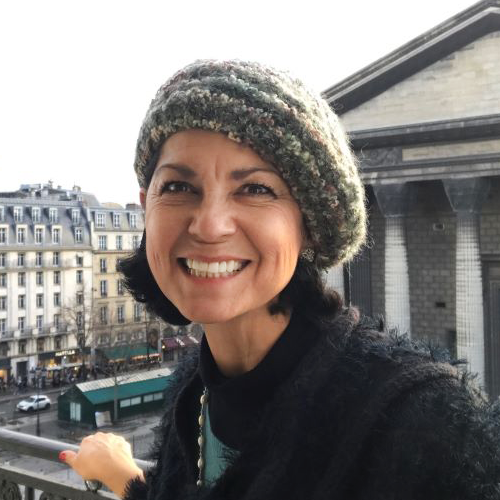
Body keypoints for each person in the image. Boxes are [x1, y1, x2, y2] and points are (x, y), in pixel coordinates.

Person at [60, 59, 500, 500]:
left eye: (255, 189)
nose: (209, 226)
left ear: (307, 224)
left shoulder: (424, 421)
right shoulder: (191, 392)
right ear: (146, 207)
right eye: (178, 187)